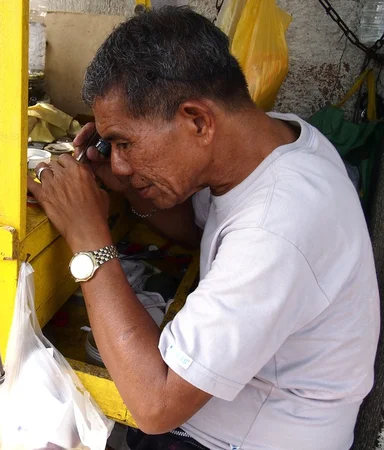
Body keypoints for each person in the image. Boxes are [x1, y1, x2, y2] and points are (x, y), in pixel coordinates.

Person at [27, 6, 380, 450]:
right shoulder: (277, 143)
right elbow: (206, 232)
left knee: (25, 413)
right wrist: (132, 184)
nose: (117, 160)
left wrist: (88, 238)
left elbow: (155, 405)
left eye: (124, 143)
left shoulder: (278, 226)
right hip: (236, 414)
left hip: (240, 439)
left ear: (197, 120)